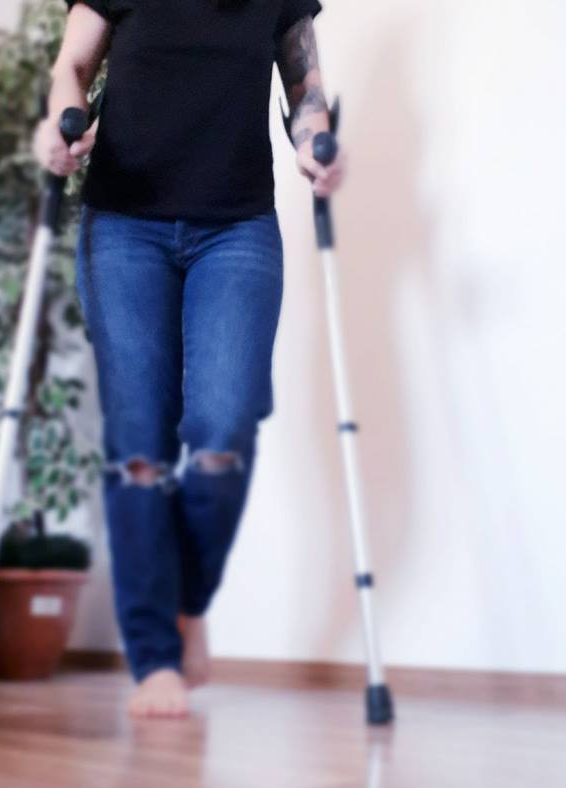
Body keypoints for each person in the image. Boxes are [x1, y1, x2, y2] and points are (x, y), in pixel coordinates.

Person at [34, 0, 346, 718]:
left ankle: (184, 603)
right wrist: (61, 118)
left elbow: (305, 84)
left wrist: (316, 139)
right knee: (140, 443)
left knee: (222, 432)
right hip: (124, 229)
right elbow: (72, 66)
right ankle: (154, 659)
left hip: (235, 230)